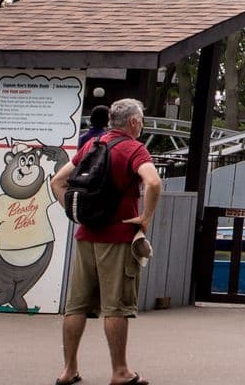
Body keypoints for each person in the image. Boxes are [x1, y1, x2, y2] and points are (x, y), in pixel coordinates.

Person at [50, 97, 160, 385]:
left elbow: (57, 182)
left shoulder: (92, 145)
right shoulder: (134, 148)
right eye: (142, 120)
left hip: (86, 235)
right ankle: (120, 371)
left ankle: (69, 369)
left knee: (76, 306)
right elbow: (153, 182)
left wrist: (77, 213)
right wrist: (145, 217)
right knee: (116, 306)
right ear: (134, 122)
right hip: (119, 237)